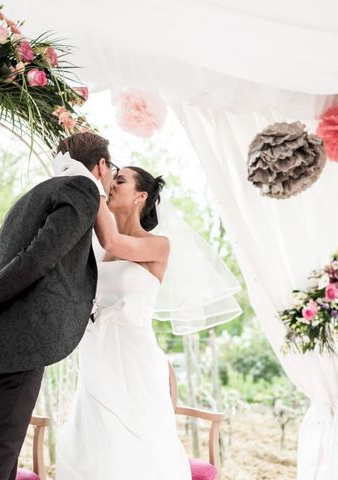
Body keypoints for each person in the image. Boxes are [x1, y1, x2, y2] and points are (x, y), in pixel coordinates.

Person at [0, 132, 115, 480]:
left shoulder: (30, 197)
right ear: (101, 165)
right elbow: (36, 260)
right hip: (18, 343)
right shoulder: (82, 188)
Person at [56, 166, 192, 480]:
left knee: (139, 442)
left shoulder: (158, 245)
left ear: (141, 196)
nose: (111, 185)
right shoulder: (97, 249)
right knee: (93, 441)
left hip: (134, 357)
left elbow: (116, 242)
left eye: (120, 180)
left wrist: (92, 187)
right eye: (111, 178)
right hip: (96, 352)